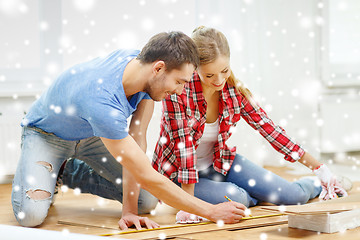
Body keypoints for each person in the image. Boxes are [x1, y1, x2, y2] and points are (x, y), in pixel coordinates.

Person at [11, 31, 246, 229]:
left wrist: (129, 212)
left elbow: (137, 139)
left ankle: (68, 171)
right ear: (159, 68)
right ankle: (48, 165)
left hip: (91, 132)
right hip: (46, 135)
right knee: (30, 217)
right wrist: (212, 211)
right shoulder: (102, 100)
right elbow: (144, 173)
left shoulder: (143, 69)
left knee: (145, 201)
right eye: (180, 82)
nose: (181, 91)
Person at [151, 26, 351, 222]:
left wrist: (320, 169)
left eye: (224, 71)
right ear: (195, 67)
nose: (219, 80)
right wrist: (189, 203)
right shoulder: (178, 91)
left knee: (293, 197)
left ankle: (319, 183)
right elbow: (184, 148)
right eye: (209, 75)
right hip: (180, 175)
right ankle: (244, 195)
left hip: (220, 163)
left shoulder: (233, 90)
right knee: (237, 198)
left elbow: (269, 129)